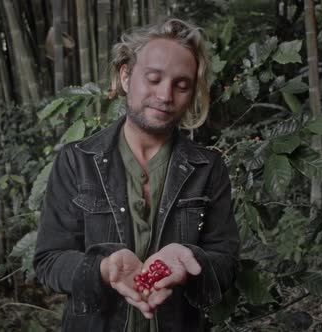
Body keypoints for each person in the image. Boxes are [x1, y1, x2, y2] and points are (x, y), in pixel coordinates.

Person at [33, 18, 239, 332]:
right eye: (154, 79)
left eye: (181, 85)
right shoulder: (77, 161)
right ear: (126, 76)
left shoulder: (208, 167)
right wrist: (102, 268)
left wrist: (188, 262)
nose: (166, 95)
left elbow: (226, 263)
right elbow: (49, 261)